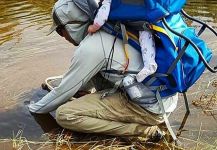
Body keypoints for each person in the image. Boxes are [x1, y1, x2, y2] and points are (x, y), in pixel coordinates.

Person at [28, 0, 178, 141]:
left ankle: (143, 131)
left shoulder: (91, 47)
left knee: (64, 115)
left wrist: (33, 109)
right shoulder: (112, 28)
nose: (63, 37)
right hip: (162, 97)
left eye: (60, 31)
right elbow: (80, 81)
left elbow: (62, 93)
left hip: (150, 108)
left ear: (72, 24)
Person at [88, 0, 157, 82]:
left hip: (139, 19)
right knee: (145, 34)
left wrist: (93, 27)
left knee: (144, 33)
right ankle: (149, 62)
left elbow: (102, 17)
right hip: (146, 12)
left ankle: (150, 64)